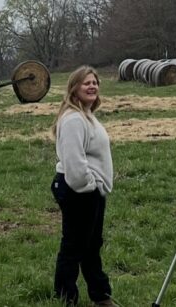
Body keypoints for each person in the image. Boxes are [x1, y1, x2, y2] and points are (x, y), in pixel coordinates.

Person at [51, 66, 116, 306]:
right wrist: (89, 185)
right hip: (78, 190)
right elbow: (74, 162)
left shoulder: (87, 115)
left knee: (91, 247)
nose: (92, 86)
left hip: (90, 191)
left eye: (95, 83)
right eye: (86, 83)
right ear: (74, 89)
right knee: (74, 247)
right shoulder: (73, 119)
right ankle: (66, 298)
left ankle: (101, 295)